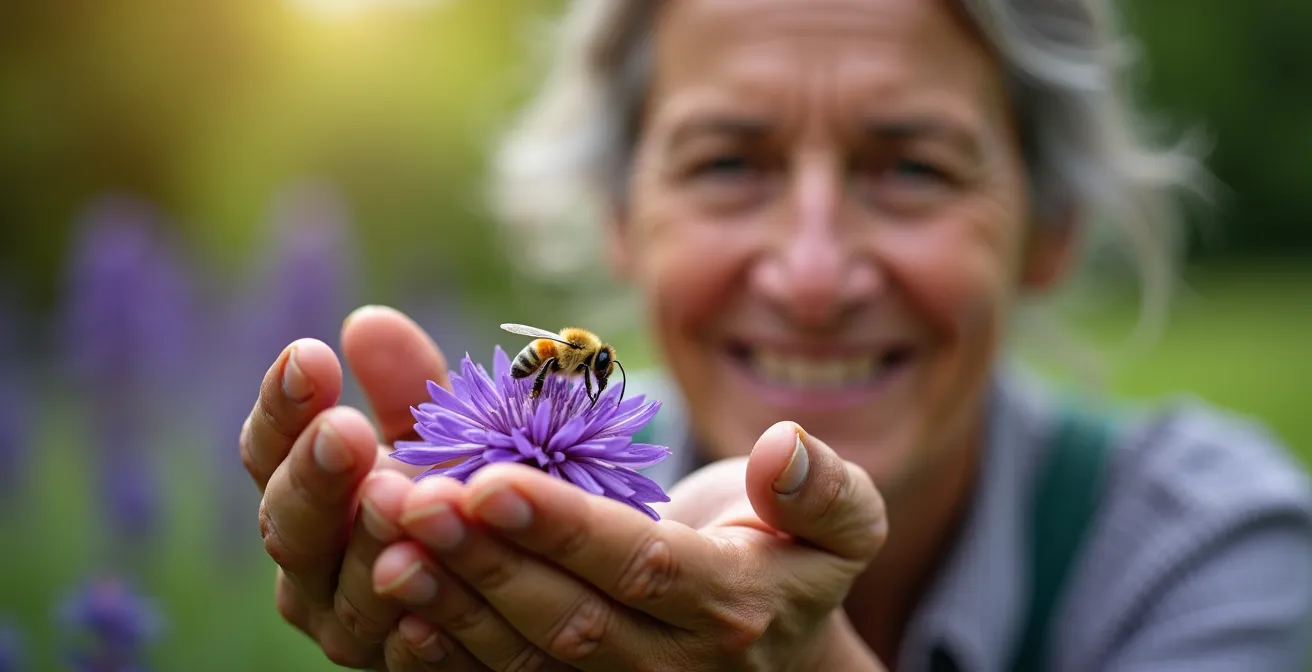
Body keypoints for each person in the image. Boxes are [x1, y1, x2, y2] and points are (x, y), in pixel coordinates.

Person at [238, 0, 1312, 669]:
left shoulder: (1215, 552)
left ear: (1050, 225)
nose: (809, 275)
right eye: (727, 163)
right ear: (620, 217)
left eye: (911, 167)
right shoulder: (494, 524)